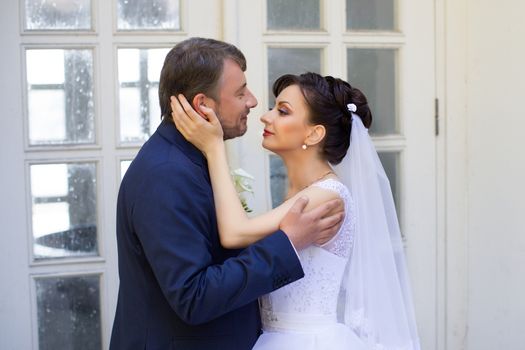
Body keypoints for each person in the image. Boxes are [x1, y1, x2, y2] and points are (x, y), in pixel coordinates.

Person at [109, 38, 345, 350]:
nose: (253, 102)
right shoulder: (165, 174)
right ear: (203, 106)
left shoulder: (190, 161)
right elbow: (194, 296)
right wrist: (286, 243)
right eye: (240, 92)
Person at [172, 72, 421, 349]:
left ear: (314, 133)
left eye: (283, 111)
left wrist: (214, 147)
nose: (266, 117)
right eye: (273, 108)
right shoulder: (302, 194)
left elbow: (233, 233)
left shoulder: (327, 197)